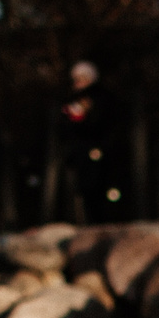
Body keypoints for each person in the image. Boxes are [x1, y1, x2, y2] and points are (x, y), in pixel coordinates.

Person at [59, 61, 111, 218]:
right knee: (81, 188)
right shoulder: (71, 100)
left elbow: (100, 123)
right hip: (78, 150)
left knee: (98, 185)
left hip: (97, 148)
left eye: (83, 78)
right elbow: (66, 123)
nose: (79, 82)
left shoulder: (100, 98)